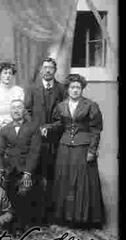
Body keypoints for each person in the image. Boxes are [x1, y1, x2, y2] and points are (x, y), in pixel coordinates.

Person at [44, 74, 106, 229]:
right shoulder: (61, 106)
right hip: (64, 147)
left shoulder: (90, 105)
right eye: (72, 87)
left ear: (82, 89)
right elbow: (58, 124)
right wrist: (48, 128)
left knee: (81, 181)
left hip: (83, 147)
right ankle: (64, 217)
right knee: (64, 179)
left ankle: (82, 218)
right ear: (67, 89)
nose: (75, 90)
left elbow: (95, 130)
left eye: (78, 87)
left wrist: (92, 150)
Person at [24, 57, 65, 224]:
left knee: (52, 177)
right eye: (45, 67)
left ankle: (51, 215)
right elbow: (26, 110)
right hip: (36, 138)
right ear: (41, 70)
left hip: (55, 140)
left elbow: (64, 114)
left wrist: (51, 127)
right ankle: (34, 215)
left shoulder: (62, 89)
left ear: (55, 70)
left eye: (51, 68)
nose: (48, 70)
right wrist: (36, 127)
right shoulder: (33, 88)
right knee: (35, 175)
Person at [0, 99, 42, 235]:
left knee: (22, 191)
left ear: (24, 110)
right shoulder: (5, 129)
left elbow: (35, 152)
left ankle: (19, 226)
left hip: (26, 170)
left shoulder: (33, 128)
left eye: (19, 108)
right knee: (2, 190)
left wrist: (28, 173)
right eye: (13, 108)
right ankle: (5, 224)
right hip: (8, 170)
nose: (16, 110)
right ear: (10, 111)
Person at [0, 62, 24, 153]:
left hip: (15, 127)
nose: (8, 76)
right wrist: (3, 122)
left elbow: (21, 111)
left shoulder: (19, 91)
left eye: (10, 73)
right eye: (5, 73)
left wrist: (12, 124)